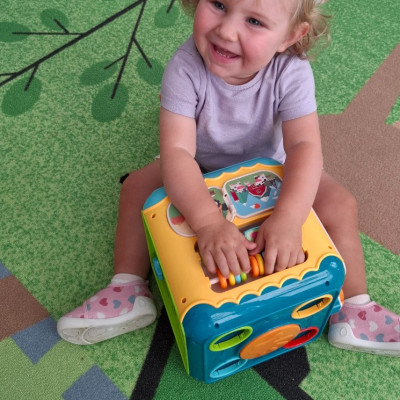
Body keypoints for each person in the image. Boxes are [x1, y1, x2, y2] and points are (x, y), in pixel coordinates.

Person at [57, 0, 400, 355]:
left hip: (271, 170)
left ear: (290, 36)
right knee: (136, 188)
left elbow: (304, 147)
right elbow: (177, 152)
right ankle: (127, 287)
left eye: (254, 21)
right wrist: (207, 222)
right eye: (218, 4)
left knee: (340, 204)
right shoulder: (184, 67)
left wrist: (288, 218)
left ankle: (354, 309)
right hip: (200, 165)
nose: (226, 30)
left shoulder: (292, 71)